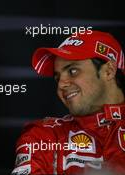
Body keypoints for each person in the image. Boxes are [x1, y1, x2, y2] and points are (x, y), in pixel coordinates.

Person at [11, 31, 125, 175]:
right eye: (57, 77)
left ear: (109, 71)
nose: (61, 85)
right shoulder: (44, 135)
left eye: (73, 71)